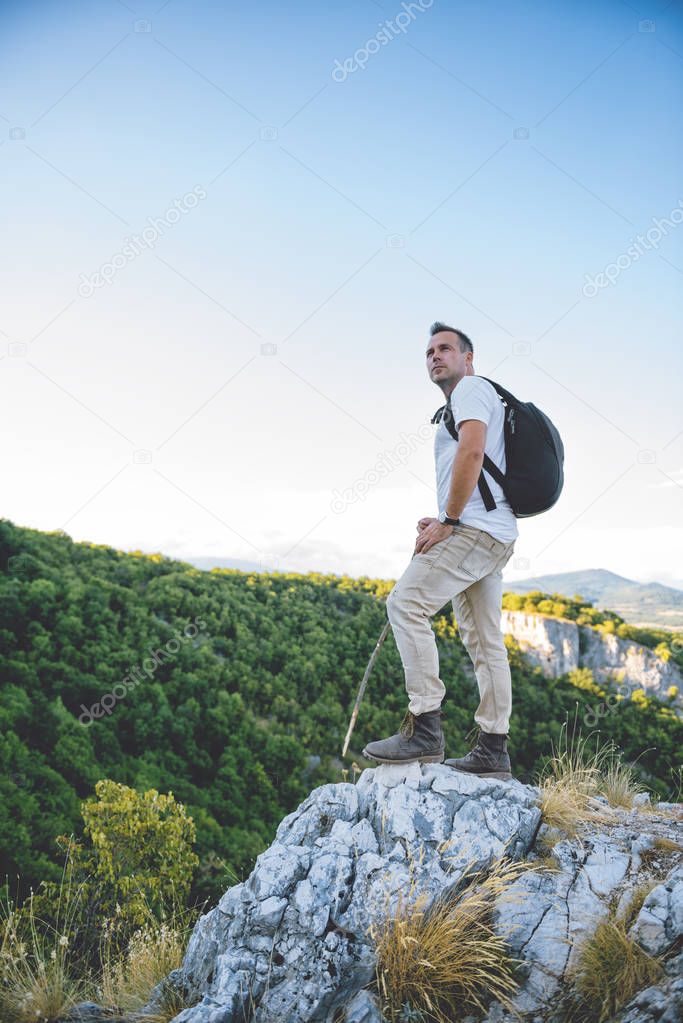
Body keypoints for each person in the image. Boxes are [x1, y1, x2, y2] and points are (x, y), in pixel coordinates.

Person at [362, 322, 519, 780]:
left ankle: (425, 726)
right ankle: (494, 749)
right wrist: (445, 516)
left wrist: (449, 521)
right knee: (485, 641)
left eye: (446, 348)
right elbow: (476, 469)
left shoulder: (470, 390)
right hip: (494, 532)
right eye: (429, 350)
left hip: (472, 532)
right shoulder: (470, 399)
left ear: (468, 358)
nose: (435, 356)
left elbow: (472, 453)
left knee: (405, 603)